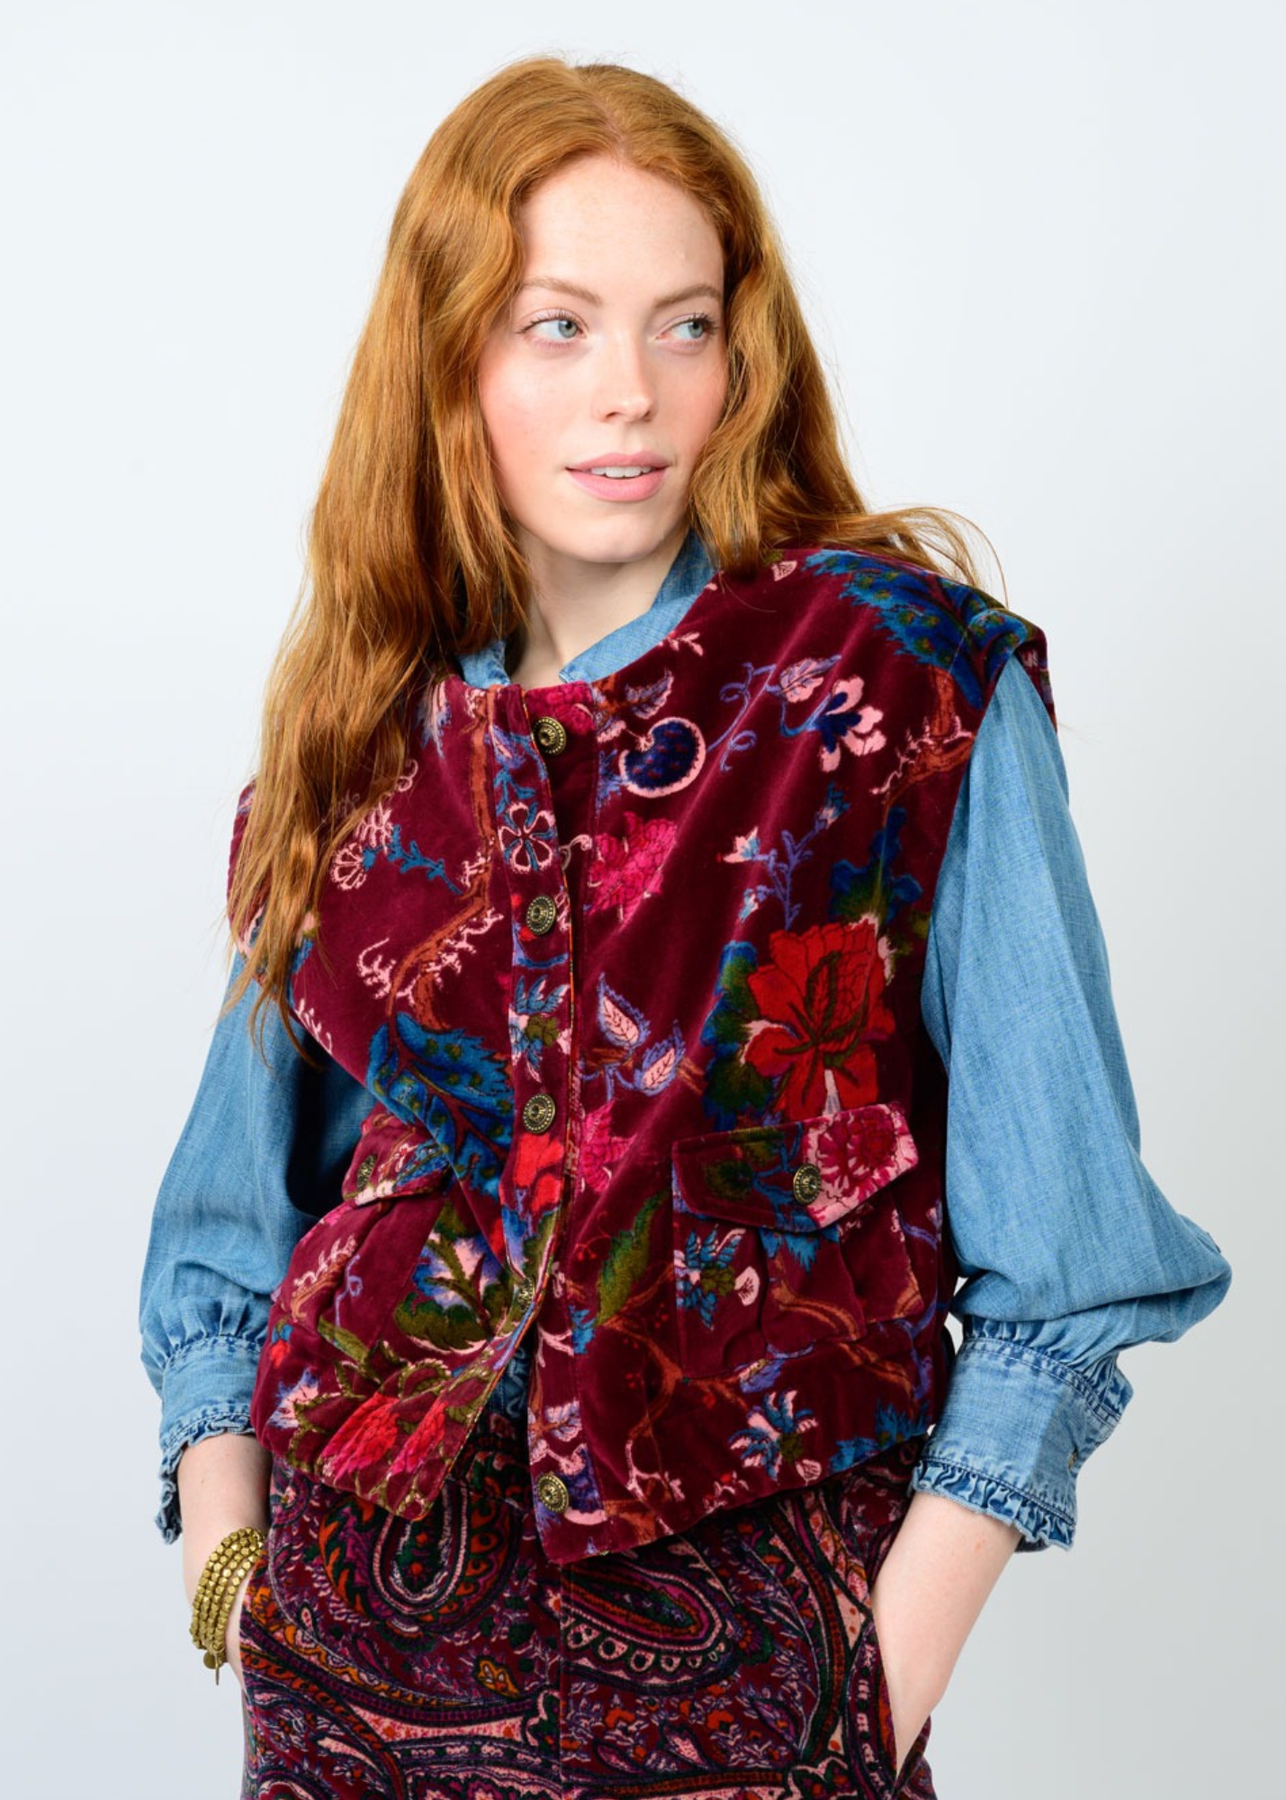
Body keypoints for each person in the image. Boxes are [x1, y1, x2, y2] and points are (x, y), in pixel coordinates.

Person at [139, 55, 1231, 1800]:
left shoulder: (896, 684)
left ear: (742, 351)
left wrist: (865, 1692)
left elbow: (1071, 1265)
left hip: (761, 1666)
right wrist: (235, 1579)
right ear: (448, 356)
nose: (630, 393)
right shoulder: (357, 742)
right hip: (355, 1661)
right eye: (557, 326)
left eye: (685, 325)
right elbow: (227, 1229)